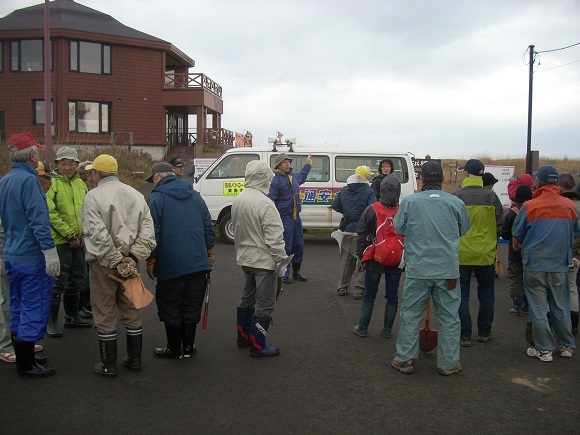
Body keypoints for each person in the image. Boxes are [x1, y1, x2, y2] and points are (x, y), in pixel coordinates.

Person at [390, 161, 470, 375]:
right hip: (448, 269)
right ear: (443, 180)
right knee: (450, 317)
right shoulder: (456, 203)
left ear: (421, 179)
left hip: (419, 269)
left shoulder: (410, 202)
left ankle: (404, 358)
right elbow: (464, 228)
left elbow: (399, 228)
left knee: (411, 314)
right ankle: (448, 362)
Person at [82, 154, 156, 377]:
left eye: (91, 172)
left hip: (104, 264)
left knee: (104, 313)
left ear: (97, 174)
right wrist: (132, 259)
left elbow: (97, 235)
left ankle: (108, 365)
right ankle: (134, 360)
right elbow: (148, 232)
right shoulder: (136, 194)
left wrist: (115, 261)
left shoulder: (93, 197)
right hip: (131, 263)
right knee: (131, 310)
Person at [0, 132, 60, 377]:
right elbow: (38, 220)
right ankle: (26, 364)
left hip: (11, 253)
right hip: (31, 255)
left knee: (17, 305)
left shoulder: (5, 180)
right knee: (34, 306)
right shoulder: (30, 181)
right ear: (31, 154)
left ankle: (22, 353)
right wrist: (50, 251)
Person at [145, 162, 215, 359]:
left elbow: (153, 234)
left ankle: (174, 348)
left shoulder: (156, 199)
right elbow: (208, 226)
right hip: (198, 262)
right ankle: (188, 348)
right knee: (192, 304)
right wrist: (209, 251)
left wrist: (151, 259)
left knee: (171, 305)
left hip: (171, 263)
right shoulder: (195, 195)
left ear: (158, 176)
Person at [512, 165, 579, 362]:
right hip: (560, 263)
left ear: (538, 182)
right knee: (560, 305)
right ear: (556, 183)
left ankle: (544, 349)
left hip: (535, 262)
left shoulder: (531, 206)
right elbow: (576, 231)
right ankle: (566, 345)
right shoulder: (569, 206)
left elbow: (517, 233)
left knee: (539, 308)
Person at [233, 160, 288, 357]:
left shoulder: (239, 199)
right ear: (264, 178)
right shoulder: (264, 202)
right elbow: (274, 236)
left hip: (245, 258)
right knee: (265, 303)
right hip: (263, 261)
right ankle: (258, 346)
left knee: (247, 298)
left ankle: (243, 337)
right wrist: (281, 261)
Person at [453, 159, 502, 347]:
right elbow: (500, 225)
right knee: (487, 293)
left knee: (461, 294)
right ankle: (484, 331)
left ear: (466, 174)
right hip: (486, 252)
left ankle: (464, 334)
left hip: (462, 252)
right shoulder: (491, 197)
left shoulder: (456, 196)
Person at [45, 147, 92, 337]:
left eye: (71, 163)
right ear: (57, 165)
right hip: (61, 241)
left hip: (80, 241)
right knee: (59, 280)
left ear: (77, 164)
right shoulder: (53, 184)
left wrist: (82, 235)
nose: (67, 167)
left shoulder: (81, 184)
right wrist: (70, 234)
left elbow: (87, 210)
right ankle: (51, 322)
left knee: (78, 277)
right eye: (63, 164)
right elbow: (50, 213)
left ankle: (72, 317)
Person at [354, 174, 404, 338]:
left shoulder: (372, 209)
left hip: (376, 257)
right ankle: (387, 330)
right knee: (392, 295)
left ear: (381, 189)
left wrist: (361, 255)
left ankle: (362, 327)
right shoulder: (403, 209)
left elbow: (361, 233)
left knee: (370, 293)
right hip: (396, 258)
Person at [331, 165, 375, 298]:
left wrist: (347, 212)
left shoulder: (344, 190)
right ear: (366, 177)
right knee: (363, 258)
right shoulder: (369, 192)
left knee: (346, 259)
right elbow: (373, 210)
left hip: (348, 228)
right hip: (364, 231)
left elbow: (335, 205)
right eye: (369, 175)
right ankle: (359, 289)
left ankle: (342, 287)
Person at [269, 152, 312, 284]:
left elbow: (302, 176)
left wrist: (308, 165)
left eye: (289, 162)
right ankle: (284, 274)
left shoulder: (293, 176)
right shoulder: (275, 180)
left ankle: (296, 272)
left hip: (295, 217)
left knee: (298, 244)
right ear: (278, 165)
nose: (288, 164)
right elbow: (271, 201)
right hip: (284, 217)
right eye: (285, 162)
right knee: (286, 245)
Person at [500, 185, 533, 316]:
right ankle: (527, 305)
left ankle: (517, 305)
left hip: (514, 251)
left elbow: (504, 232)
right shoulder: (534, 210)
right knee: (528, 277)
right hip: (530, 250)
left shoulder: (511, 213)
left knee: (515, 276)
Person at [557, 172, 580, 336]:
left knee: (553, 290)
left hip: (558, 254)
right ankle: (572, 326)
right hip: (575, 255)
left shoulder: (562, 205)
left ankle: (555, 327)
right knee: (572, 289)